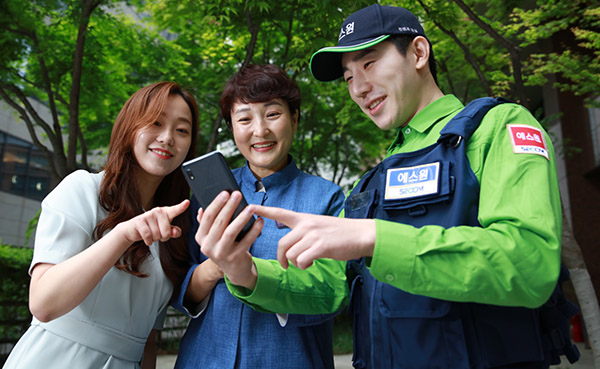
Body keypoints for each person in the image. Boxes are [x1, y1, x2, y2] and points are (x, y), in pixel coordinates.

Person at [199, 4, 579, 369]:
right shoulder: (373, 181)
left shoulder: (496, 127)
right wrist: (244, 271)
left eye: (369, 63)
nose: (359, 87)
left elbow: (529, 264)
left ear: (418, 52)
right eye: (348, 77)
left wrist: (376, 238)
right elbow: (331, 287)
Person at [3, 81, 204, 369]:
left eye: (181, 130)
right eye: (156, 122)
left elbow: (148, 339)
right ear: (130, 127)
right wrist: (123, 234)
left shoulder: (172, 225)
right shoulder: (82, 190)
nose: (167, 137)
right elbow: (43, 303)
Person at [172, 64, 345, 369]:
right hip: (203, 359)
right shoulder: (206, 195)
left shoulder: (327, 198)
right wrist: (218, 266)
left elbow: (332, 292)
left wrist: (248, 272)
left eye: (273, 114)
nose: (260, 130)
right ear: (232, 127)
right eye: (244, 118)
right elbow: (178, 287)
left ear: (294, 117)